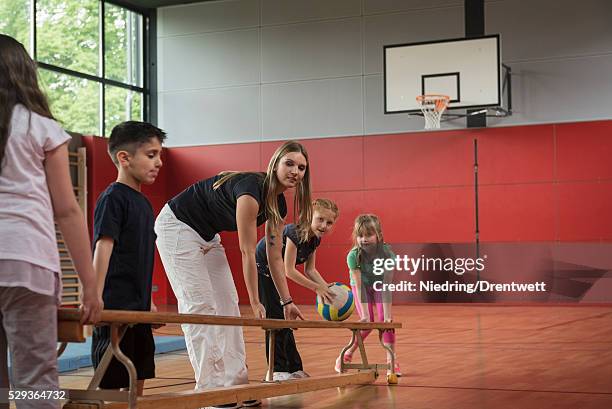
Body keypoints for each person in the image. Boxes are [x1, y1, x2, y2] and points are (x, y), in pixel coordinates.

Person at [155, 140, 309, 409]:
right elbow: (248, 252)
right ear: (274, 164)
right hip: (176, 227)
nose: (295, 171)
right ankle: (210, 389)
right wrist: (256, 300)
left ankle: (235, 384)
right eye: (289, 163)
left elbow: (274, 258)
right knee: (200, 306)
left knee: (227, 305)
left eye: (302, 167)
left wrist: (287, 301)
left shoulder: (278, 206)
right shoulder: (251, 190)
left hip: (207, 235)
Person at [0, 34, 102, 409]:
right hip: (27, 262)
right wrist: (89, 285)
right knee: (36, 383)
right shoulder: (39, 126)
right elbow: (66, 210)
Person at [90, 121, 166, 396]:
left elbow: (141, 259)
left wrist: (150, 302)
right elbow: (103, 248)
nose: (158, 162)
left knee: (138, 378)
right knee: (112, 384)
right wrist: (95, 296)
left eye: (159, 155)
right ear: (124, 158)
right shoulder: (113, 198)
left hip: (139, 309)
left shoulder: (144, 204)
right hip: (115, 308)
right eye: (151, 155)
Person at [256, 198, 339, 381]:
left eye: (329, 222)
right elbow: (289, 270)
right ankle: (276, 370)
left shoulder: (314, 239)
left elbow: (310, 270)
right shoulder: (294, 232)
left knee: (287, 319)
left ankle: (294, 368)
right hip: (264, 270)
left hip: (277, 272)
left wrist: (326, 288)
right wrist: (317, 288)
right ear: (309, 215)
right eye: (320, 219)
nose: (324, 225)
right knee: (275, 319)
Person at [335, 214, 401, 376]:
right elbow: (358, 286)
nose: (364, 239)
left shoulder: (387, 254)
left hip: (379, 286)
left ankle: (391, 360)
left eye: (368, 235)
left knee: (387, 324)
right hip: (362, 286)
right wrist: (364, 315)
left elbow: (386, 286)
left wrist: (386, 317)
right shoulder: (353, 256)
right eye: (360, 235)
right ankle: (347, 354)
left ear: (378, 235)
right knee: (368, 323)